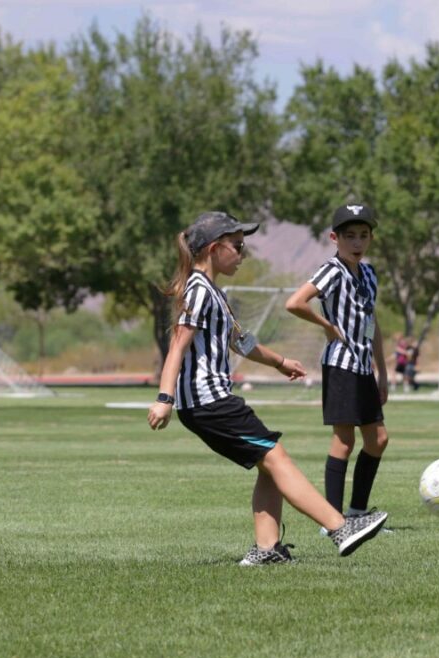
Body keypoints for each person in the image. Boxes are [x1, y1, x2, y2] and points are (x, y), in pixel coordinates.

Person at [147, 211, 387, 564]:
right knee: (277, 458)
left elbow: (240, 343)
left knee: (269, 462)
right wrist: (164, 399)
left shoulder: (211, 290)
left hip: (210, 403)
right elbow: (178, 346)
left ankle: (267, 549)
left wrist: (280, 362)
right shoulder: (198, 290)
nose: (243, 255)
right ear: (214, 249)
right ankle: (339, 527)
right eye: (238, 247)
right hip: (209, 401)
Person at [286, 203, 390, 527]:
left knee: (378, 440)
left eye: (363, 236)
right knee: (344, 441)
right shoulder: (332, 270)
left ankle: (357, 514)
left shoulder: (370, 274)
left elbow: (371, 322)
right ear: (335, 238)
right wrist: (327, 326)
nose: (357, 243)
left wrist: (382, 370)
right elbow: (295, 303)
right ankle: (333, 521)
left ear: (371, 238)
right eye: (349, 236)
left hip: (363, 368)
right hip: (341, 365)